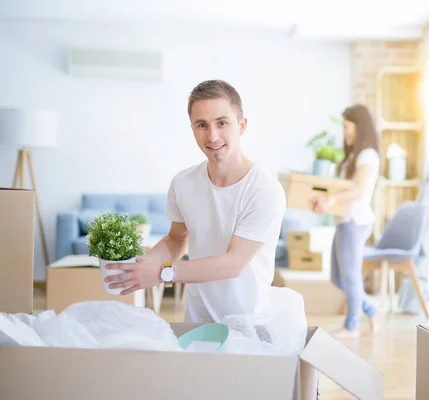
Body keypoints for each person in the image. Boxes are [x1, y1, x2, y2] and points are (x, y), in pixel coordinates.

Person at [104, 79, 287, 324]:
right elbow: (177, 239)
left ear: (241, 125)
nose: (212, 136)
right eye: (202, 125)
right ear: (192, 129)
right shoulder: (183, 183)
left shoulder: (264, 189)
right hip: (197, 318)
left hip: (250, 322)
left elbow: (233, 264)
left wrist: (161, 273)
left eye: (222, 123)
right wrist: (137, 267)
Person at [311, 104, 384, 340]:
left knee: (350, 277)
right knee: (338, 277)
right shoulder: (354, 154)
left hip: (355, 221)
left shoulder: (367, 155)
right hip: (344, 221)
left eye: (347, 127)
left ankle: (351, 326)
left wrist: (329, 199)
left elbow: (359, 190)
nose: (345, 132)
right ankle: (373, 311)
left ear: (359, 127)